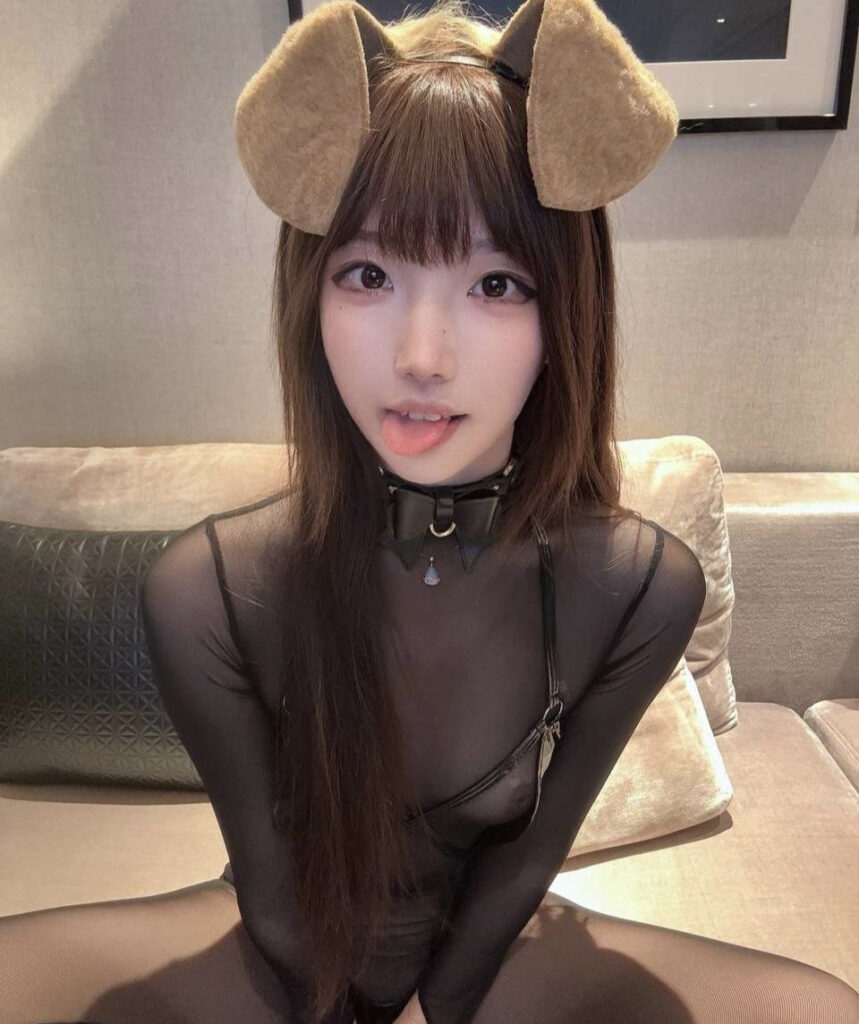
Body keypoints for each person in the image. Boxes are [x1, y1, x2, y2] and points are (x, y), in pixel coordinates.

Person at [1, 0, 858, 1022]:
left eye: (495, 284)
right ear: (309, 295)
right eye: (368, 274)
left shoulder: (639, 587)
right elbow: (273, 900)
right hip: (287, 949)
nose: (420, 356)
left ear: (566, 313)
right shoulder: (208, 591)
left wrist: (432, 1012)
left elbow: (523, 864)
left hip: (491, 958)